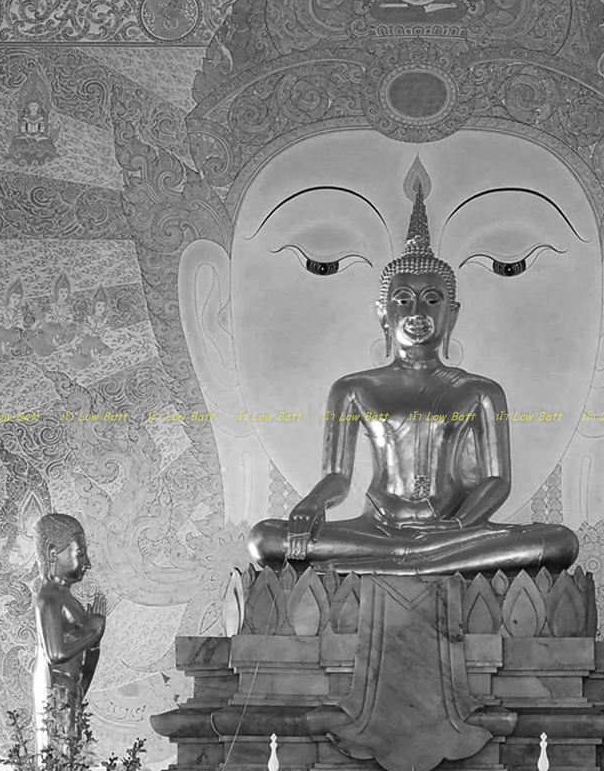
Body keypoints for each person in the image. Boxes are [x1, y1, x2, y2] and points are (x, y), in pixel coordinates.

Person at [246, 184, 580, 574]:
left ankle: (401, 563)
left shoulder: (480, 391)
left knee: (559, 542)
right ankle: (416, 560)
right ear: (383, 313)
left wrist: (457, 526)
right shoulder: (353, 388)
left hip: (453, 529)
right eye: (403, 299)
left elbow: (497, 480)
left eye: (432, 300)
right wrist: (313, 503)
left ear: (452, 313)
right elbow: (337, 477)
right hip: (375, 528)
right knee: (264, 539)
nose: (417, 311)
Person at [33, 512, 104, 744]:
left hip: (72, 691)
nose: (87, 564)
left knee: (73, 756)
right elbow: (55, 654)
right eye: (80, 554)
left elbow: (84, 662)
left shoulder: (67, 598)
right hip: (57, 692)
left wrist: (94, 643)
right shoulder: (49, 597)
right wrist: (92, 633)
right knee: (61, 756)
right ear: (53, 553)